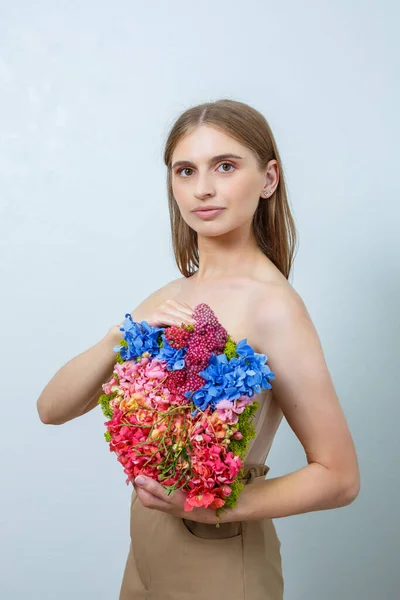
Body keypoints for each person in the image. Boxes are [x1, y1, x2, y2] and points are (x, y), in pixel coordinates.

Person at [37, 98, 360, 599]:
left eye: (225, 166)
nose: (203, 188)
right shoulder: (170, 297)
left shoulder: (274, 308)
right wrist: (119, 335)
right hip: (144, 552)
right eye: (185, 170)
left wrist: (211, 505)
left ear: (269, 179)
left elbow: (339, 477)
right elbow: (51, 409)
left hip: (218, 561)